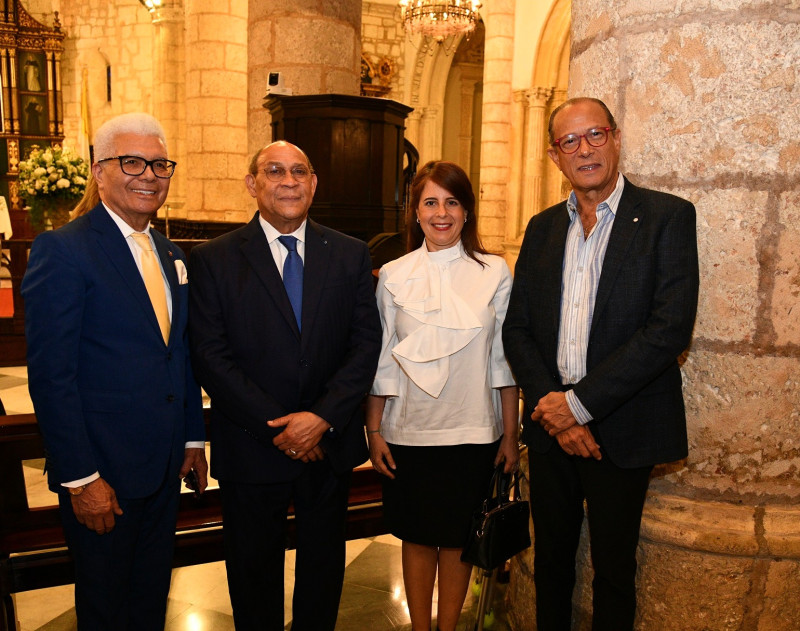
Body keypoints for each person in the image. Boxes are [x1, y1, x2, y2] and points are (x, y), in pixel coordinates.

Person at [502, 97, 699, 631]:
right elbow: (516, 329)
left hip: (622, 426)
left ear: (614, 138)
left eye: (594, 135)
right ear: (554, 156)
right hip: (551, 430)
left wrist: (579, 406)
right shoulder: (542, 228)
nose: (584, 149)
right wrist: (555, 409)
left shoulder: (667, 217)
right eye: (570, 141)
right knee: (550, 565)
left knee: (614, 570)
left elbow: (667, 331)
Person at [21, 112, 208, 631]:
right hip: (103, 471)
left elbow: (180, 354)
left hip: (165, 467)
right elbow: (52, 377)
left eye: (159, 164)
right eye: (131, 162)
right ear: (98, 170)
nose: (148, 174)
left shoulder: (170, 253)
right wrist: (81, 479)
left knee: (150, 598)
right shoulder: (65, 249)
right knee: (105, 607)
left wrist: (193, 439)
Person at [188, 140, 382, 631]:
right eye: (274, 171)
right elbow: (211, 356)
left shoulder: (350, 254)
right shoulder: (214, 259)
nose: (289, 180)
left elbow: (365, 345)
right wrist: (280, 426)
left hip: (328, 443)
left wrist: (320, 419)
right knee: (253, 575)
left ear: (314, 184)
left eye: (300, 171)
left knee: (322, 571)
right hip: (252, 445)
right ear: (253, 184)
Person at [367, 161, 520, 631]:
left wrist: (511, 434)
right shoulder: (392, 274)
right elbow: (383, 360)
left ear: (467, 211)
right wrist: (374, 430)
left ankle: (448, 628)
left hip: (474, 428)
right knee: (416, 538)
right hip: (409, 430)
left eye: (452, 201)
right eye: (430, 202)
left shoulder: (494, 271)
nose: (441, 212)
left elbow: (502, 360)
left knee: (457, 539)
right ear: (415, 212)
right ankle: (419, 628)